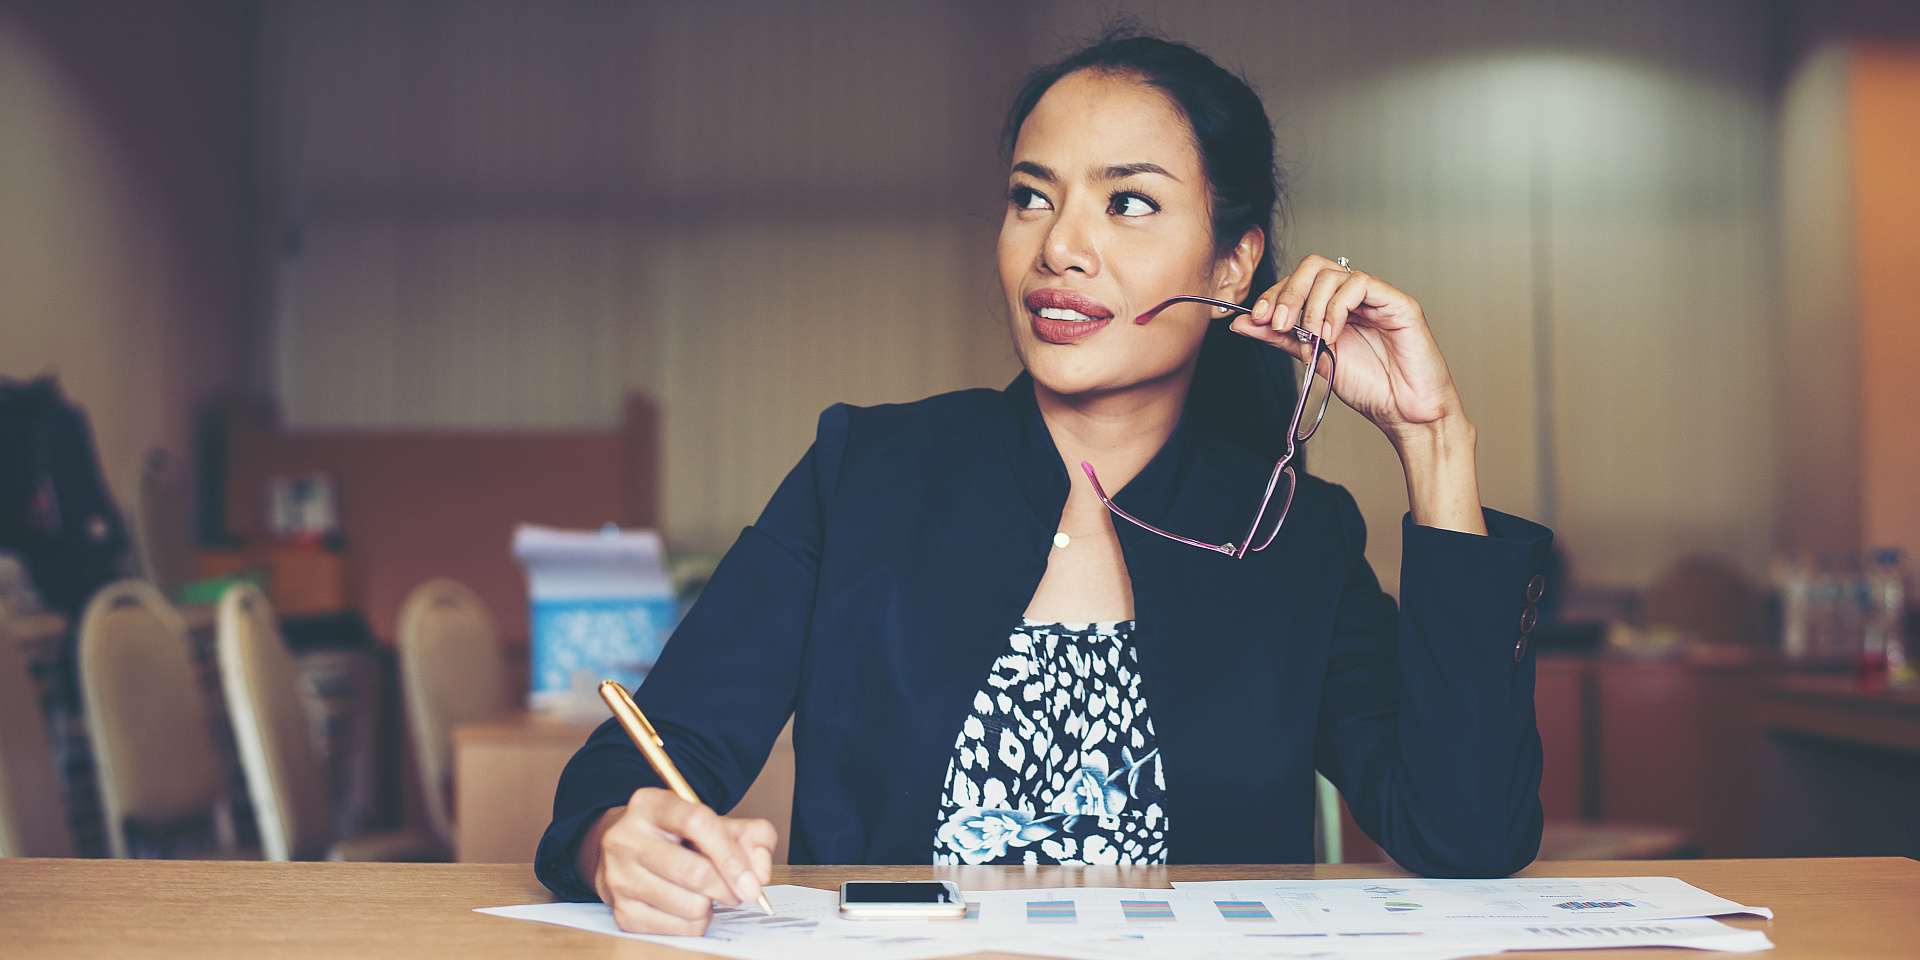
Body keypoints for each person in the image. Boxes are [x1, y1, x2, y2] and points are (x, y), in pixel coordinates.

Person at [535, 28, 1552, 934]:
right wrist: (621, 839)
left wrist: (1435, 442)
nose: (1060, 246)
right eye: (1033, 197)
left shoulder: (1295, 531)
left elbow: (1464, 834)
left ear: (1233, 267)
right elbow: (635, 768)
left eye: (1128, 202)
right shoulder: (864, 474)